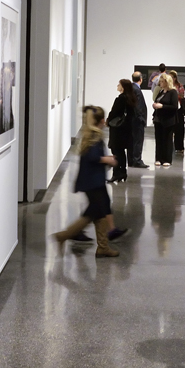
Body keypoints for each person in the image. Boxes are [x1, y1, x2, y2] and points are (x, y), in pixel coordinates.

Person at [51, 106, 120, 258]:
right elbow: (93, 157)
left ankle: (103, 247)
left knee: (100, 211)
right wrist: (108, 159)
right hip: (93, 181)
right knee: (93, 212)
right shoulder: (95, 137)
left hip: (92, 180)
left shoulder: (89, 135)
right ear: (102, 121)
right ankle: (63, 235)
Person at [107, 79, 136, 183]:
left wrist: (108, 120)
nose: (117, 86)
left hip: (117, 128)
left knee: (116, 150)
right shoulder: (131, 98)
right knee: (121, 151)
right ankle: (122, 172)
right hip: (126, 128)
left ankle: (117, 173)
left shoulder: (120, 99)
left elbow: (114, 112)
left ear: (123, 87)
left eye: (119, 84)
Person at [152, 72, 179, 167]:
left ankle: (167, 159)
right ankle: (158, 158)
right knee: (158, 139)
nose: (160, 83)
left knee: (167, 140)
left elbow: (174, 106)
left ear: (167, 82)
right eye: (160, 81)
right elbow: (156, 100)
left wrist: (162, 106)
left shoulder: (173, 92)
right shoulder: (161, 92)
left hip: (168, 120)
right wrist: (155, 105)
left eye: (162, 81)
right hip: (158, 119)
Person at [130, 72, 149, 168]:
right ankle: (137, 160)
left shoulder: (132, 88)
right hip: (137, 120)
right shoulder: (136, 89)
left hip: (134, 119)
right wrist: (141, 118)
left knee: (134, 140)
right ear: (141, 79)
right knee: (138, 140)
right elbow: (138, 106)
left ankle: (133, 159)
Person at [170, 70, 185, 153]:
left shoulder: (179, 86)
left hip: (179, 109)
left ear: (174, 78)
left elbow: (182, 95)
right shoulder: (168, 86)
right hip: (170, 109)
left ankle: (179, 147)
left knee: (180, 128)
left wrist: (175, 94)